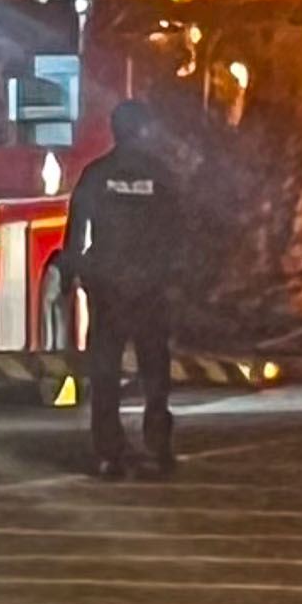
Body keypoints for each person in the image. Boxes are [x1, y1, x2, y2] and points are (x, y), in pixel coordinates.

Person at [67, 129, 191, 479]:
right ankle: (158, 447)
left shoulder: (97, 173)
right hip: (150, 288)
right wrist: (174, 278)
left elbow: (76, 228)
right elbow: (180, 231)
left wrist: (77, 271)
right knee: (155, 372)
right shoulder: (162, 174)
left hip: (108, 289)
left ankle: (109, 452)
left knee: (105, 372)